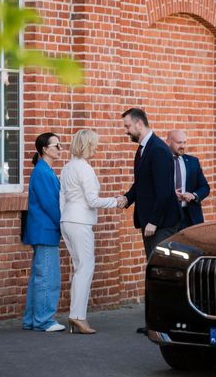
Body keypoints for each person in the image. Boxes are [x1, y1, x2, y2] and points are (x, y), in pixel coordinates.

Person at [60, 129, 124, 334]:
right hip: (80, 222)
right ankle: (78, 316)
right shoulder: (85, 168)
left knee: (79, 268)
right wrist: (116, 201)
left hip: (67, 220)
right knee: (85, 268)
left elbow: (62, 198)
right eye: (94, 144)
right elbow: (92, 201)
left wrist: (64, 217)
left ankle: (76, 316)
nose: (96, 148)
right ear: (87, 145)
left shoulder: (67, 167)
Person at [118, 108, 181, 258]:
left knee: (160, 266)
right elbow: (142, 182)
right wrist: (127, 198)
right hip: (150, 222)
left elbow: (164, 190)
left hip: (162, 224)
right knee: (152, 265)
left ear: (139, 124)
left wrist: (154, 221)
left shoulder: (158, 149)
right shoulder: (143, 149)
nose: (126, 131)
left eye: (128, 126)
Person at [22, 132, 65, 332]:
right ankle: (44, 320)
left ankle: (32, 319)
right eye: (57, 145)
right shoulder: (42, 172)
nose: (60, 149)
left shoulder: (44, 170)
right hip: (45, 231)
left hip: (43, 231)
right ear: (45, 149)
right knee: (48, 277)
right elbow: (51, 205)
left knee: (39, 277)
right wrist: (64, 225)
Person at [166, 130, 210, 230]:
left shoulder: (193, 161)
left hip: (190, 217)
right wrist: (170, 194)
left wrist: (193, 195)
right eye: (179, 142)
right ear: (168, 142)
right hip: (168, 215)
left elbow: (205, 187)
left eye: (184, 142)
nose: (182, 146)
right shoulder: (161, 161)